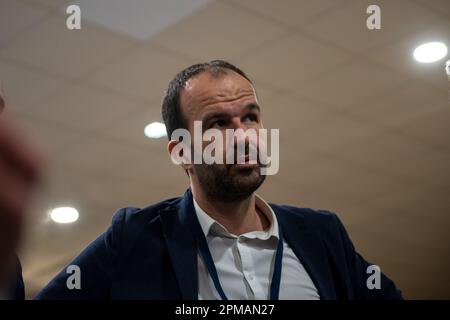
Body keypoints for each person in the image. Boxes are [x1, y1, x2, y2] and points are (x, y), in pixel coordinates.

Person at [1, 60, 402, 299]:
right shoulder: (135, 239)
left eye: (251, 117)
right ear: (180, 151)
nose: (243, 135)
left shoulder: (321, 234)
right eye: (218, 124)